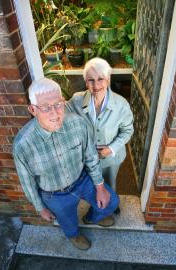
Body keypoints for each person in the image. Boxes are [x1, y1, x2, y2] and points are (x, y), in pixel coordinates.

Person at [13, 78, 119, 251]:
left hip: (82, 179)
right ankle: (74, 235)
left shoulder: (78, 124)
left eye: (58, 104)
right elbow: (28, 183)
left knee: (112, 202)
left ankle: (92, 217)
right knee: (67, 222)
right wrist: (40, 208)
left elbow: (91, 157)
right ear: (33, 110)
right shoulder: (23, 145)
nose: (55, 113)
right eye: (46, 107)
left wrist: (100, 188)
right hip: (54, 195)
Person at [65, 57, 134, 214]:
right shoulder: (77, 100)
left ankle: (112, 204)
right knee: (91, 182)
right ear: (85, 82)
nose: (96, 85)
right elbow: (61, 110)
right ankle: (95, 204)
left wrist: (110, 148)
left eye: (100, 79)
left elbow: (128, 130)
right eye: (91, 80)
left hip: (111, 157)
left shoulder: (121, 104)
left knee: (110, 181)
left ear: (108, 79)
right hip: (87, 157)